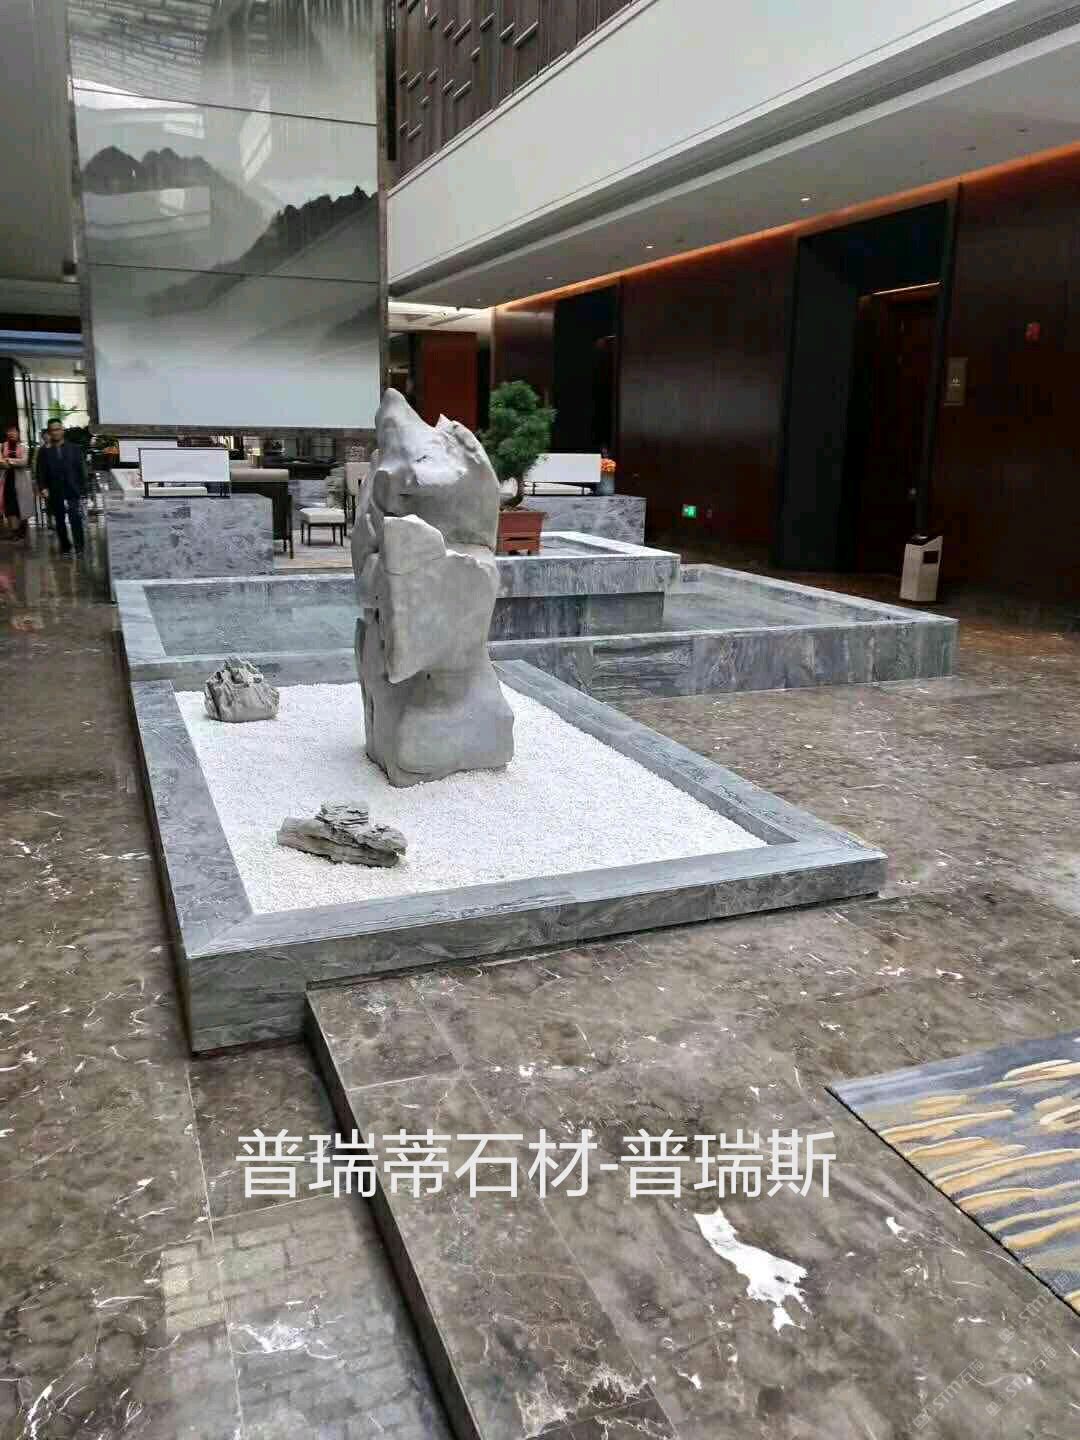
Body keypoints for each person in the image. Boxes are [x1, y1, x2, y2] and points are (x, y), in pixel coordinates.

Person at [34, 419, 86, 554]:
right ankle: (65, 546)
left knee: (75, 517)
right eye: (52, 430)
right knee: (59, 519)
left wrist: (82, 489)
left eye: (58, 429)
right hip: (54, 489)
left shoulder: (74, 448)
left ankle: (79, 546)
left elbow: (81, 469)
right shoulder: (44, 451)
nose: (55, 432)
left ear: (62, 430)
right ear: (49, 432)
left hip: (72, 488)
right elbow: (40, 471)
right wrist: (43, 487)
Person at [1, 423, 31, 540]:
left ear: (18, 433)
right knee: (9, 506)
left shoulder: (23, 447)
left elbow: (24, 462)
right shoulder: (2, 446)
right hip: (6, 480)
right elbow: (0, 462)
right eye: (9, 431)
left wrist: (8, 460)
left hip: (21, 480)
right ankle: (14, 532)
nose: (11, 433)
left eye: (14, 431)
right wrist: (13, 462)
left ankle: (21, 528)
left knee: (21, 505)